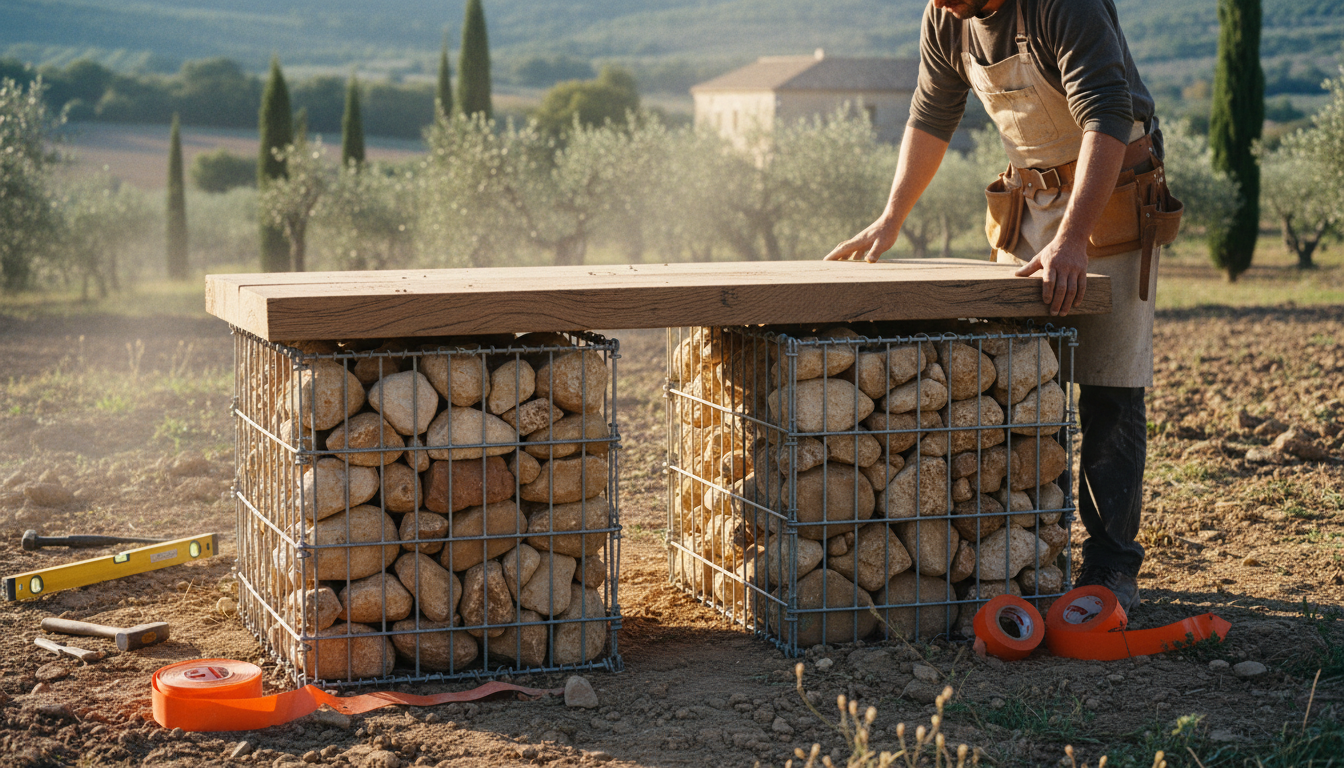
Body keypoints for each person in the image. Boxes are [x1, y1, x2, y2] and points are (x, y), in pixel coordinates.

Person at [824, 0, 1182, 613]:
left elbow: (1107, 114)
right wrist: (892, 219)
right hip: (1028, 204)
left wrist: (1073, 240)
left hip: (1113, 198)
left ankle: (1110, 567)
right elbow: (931, 114)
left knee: (1109, 388)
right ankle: (1042, 553)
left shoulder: (1061, 6)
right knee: (1020, 390)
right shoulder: (945, 15)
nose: (937, 2)